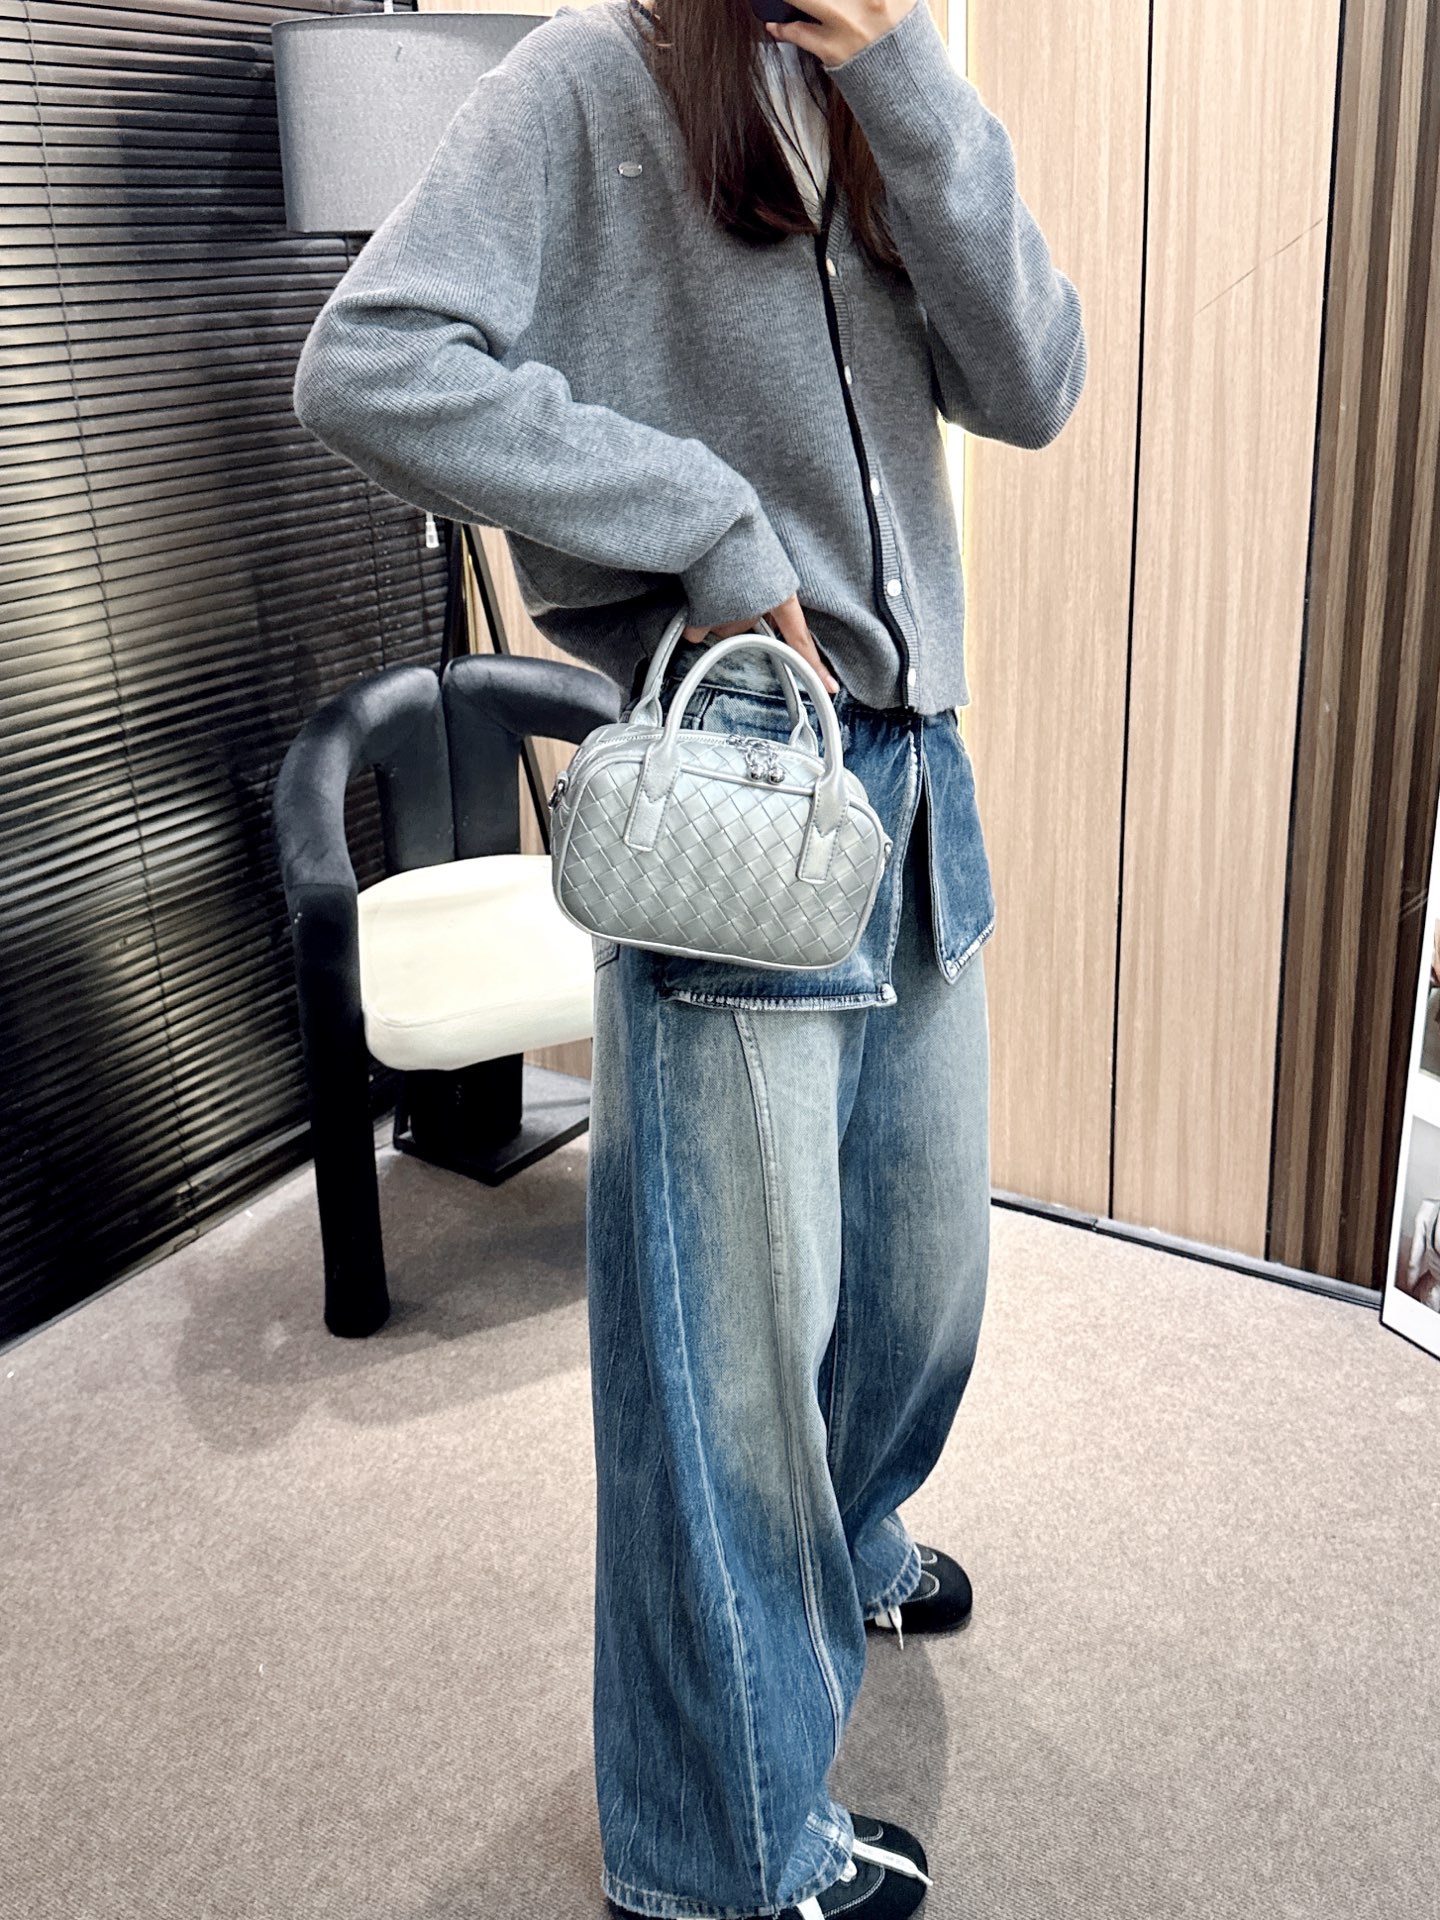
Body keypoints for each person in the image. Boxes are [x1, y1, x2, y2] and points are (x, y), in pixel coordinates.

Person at [291, 2, 1087, 1915]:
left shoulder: (881, 88)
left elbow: (1034, 380)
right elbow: (370, 361)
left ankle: (849, 1537)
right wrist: (709, 523)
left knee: (918, 1285)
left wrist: (903, 79)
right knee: (722, 1354)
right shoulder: (593, 77)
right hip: (732, 772)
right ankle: (711, 1852)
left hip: (913, 772)